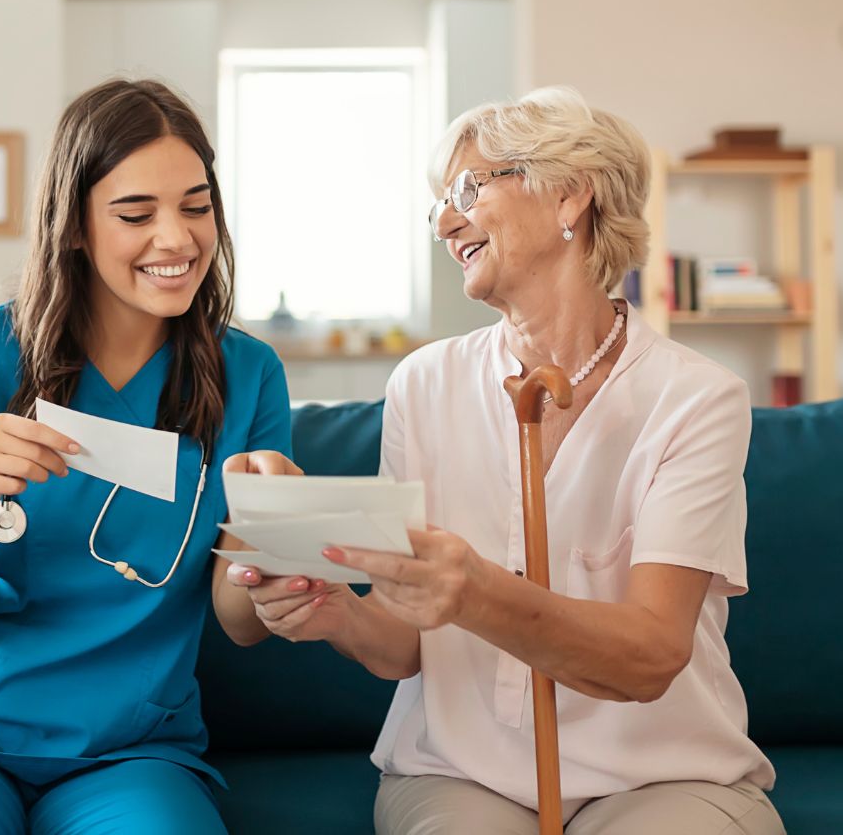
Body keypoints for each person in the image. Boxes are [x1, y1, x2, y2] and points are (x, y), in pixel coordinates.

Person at [228, 86, 786, 834]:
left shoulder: (696, 399)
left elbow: (652, 655)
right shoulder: (423, 384)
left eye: (467, 188)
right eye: (438, 206)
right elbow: (406, 645)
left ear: (570, 196)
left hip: (660, 775)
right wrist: (334, 611)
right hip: (462, 775)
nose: (446, 222)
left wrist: (477, 591)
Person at [0, 79, 291, 835]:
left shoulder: (248, 376)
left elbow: (241, 625)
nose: (177, 239)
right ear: (76, 226)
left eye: (195, 204)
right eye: (135, 214)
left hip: (131, 750)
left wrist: (274, 531)